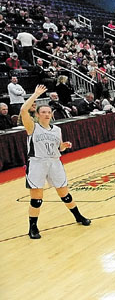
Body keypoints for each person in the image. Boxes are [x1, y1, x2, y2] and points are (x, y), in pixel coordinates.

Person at [19, 85, 91, 239]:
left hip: (54, 162)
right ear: (37, 115)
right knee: (37, 199)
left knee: (65, 194)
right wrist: (36, 94)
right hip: (37, 163)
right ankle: (33, 227)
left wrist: (63, 146)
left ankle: (78, 216)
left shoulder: (57, 130)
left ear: (52, 114)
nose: (46, 114)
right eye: (43, 112)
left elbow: (59, 147)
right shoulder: (32, 127)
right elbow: (23, 111)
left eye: (48, 112)